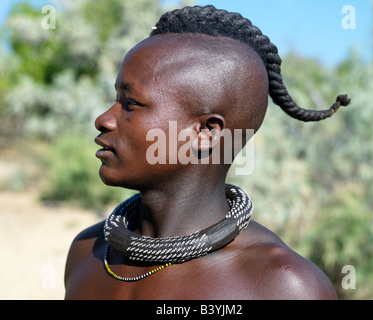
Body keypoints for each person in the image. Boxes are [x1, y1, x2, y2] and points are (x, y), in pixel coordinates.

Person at [64, 5, 350, 300]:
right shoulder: (89, 250)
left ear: (206, 132)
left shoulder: (282, 286)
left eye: (131, 103)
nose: (104, 119)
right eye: (116, 98)